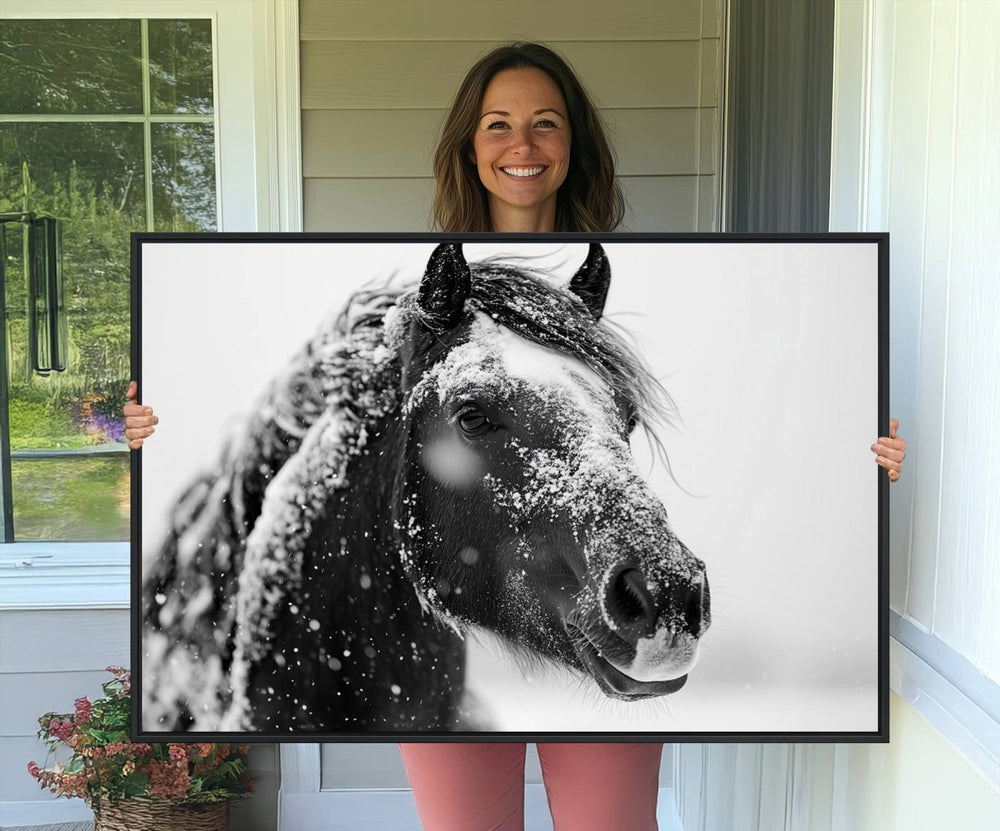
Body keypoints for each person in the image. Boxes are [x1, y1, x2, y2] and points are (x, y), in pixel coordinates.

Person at [124, 42, 906, 831]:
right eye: (498, 125)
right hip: (439, 641)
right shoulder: (426, 289)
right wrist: (149, 427)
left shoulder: (653, 253)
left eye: (545, 124)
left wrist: (869, 453)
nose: (522, 146)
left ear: (574, 145)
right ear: (470, 145)